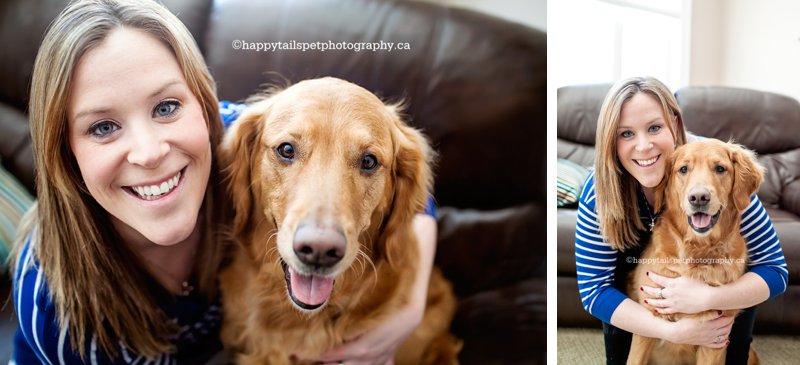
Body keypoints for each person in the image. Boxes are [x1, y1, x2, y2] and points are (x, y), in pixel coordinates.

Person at [10, 0, 437, 364]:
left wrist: (411, 307)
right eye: (102, 127)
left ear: (206, 106)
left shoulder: (232, 141)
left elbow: (412, 182)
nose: (150, 152)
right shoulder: (54, 310)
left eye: (166, 107)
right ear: (63, 151)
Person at [574, 76, 788, 364]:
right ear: (610, 140)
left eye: (654, 127)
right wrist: (674, 331)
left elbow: (775, 270)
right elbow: (594, 291)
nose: (644, 145)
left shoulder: (721, 167)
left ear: (674, 124)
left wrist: (709, 299)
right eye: (626, 134)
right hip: (641, 306)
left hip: (721, 291)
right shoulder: (599, 189)